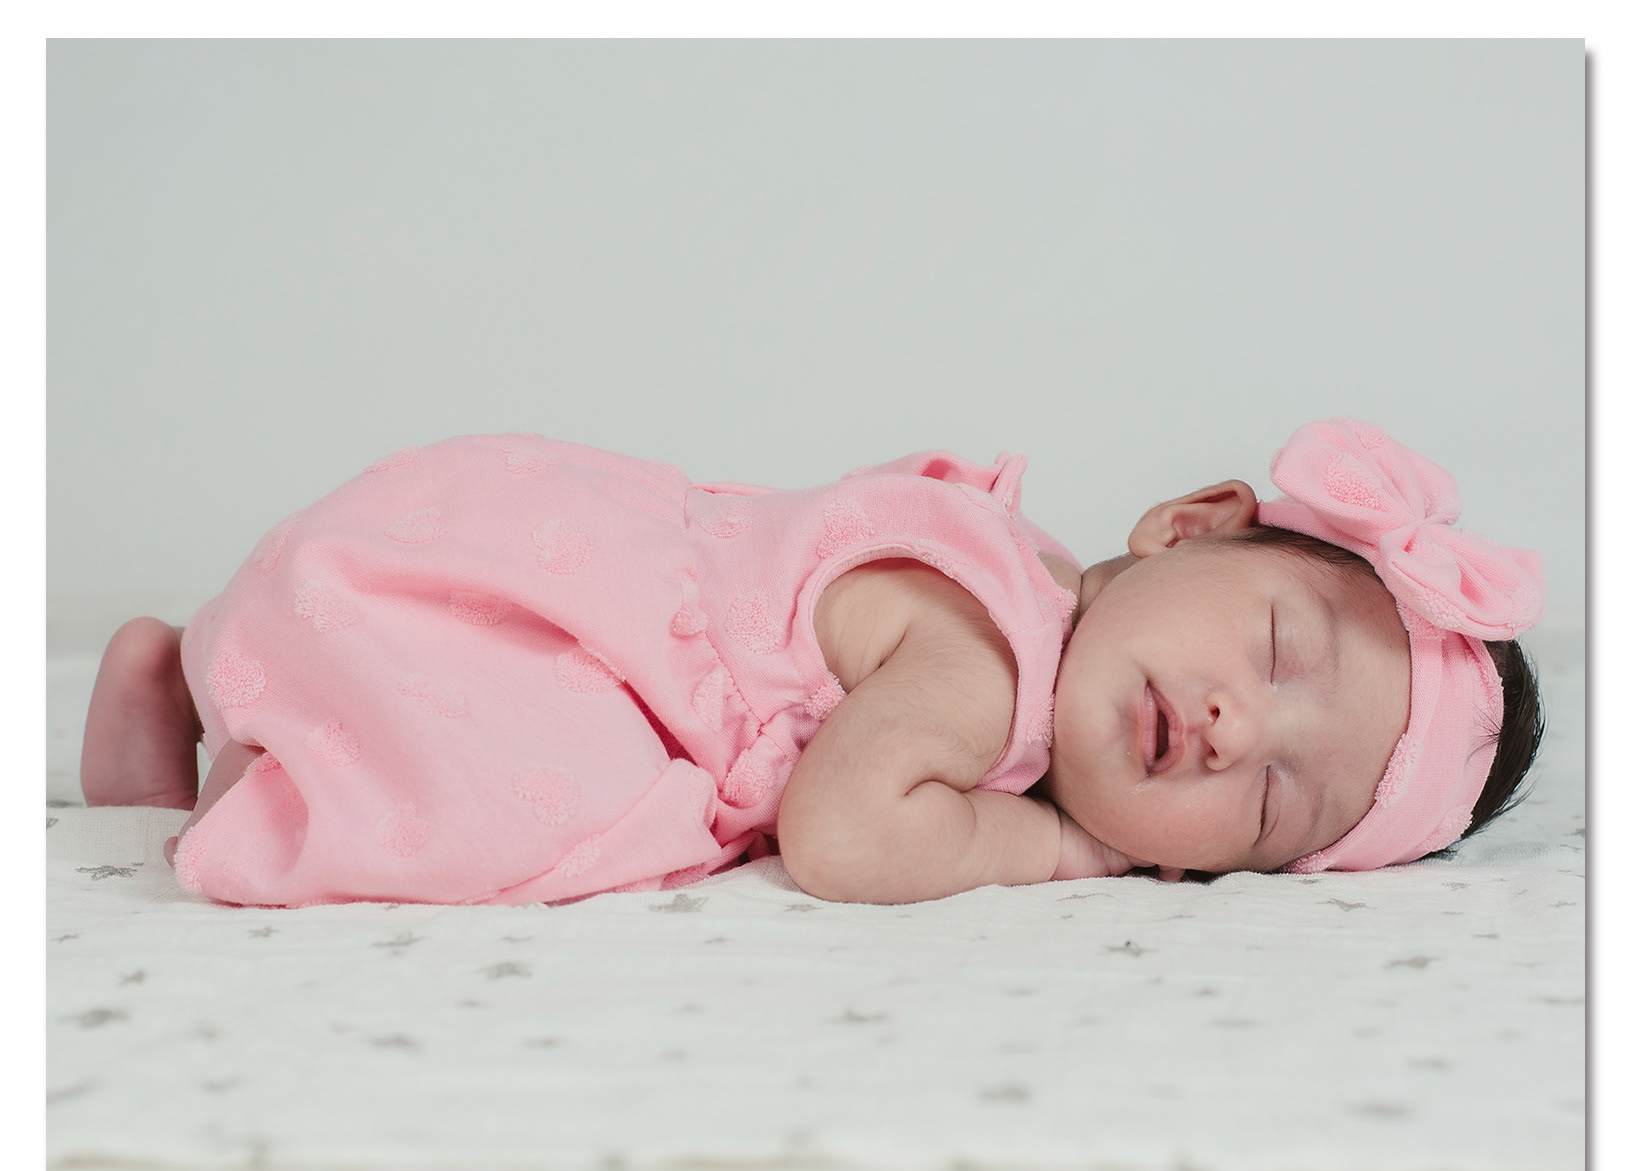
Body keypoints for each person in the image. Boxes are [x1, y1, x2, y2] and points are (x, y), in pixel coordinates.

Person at [79, 419, 1545, 907]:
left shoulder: (1020, 561)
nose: (1235, 729)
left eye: (1276, 800)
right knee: (537, 804)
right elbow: (847, 837)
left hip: (452, 538)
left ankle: (186, 687)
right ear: (1189, 526)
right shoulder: (993, 657)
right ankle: (249, 791)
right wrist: (1059, 850)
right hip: (519, 619)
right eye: (1276, 650)